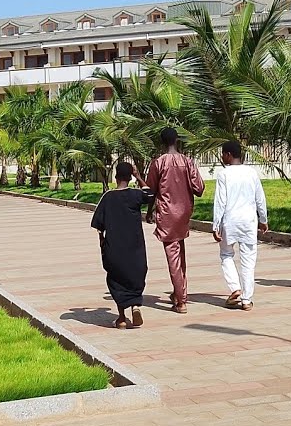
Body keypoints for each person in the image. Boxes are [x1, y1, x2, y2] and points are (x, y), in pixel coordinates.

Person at [145, 128, 205, 314]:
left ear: (162, 142)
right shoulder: (187, 162)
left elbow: (150, 190)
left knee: (173, 255)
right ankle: (180, 291)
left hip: (167, 213)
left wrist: (149, 211)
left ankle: (181, 300)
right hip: (184, 212)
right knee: (180, 253)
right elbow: (199, 188)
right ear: (177, 140)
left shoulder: (158, 163)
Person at [91, 161, 152, 329]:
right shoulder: (136, 195)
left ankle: (122, 318)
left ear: (116, 176)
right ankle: (136, 306)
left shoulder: (108, 197)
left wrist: (103, 244)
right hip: (135, 249)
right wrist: (139, 177)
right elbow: (151, 194)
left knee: (116, 280)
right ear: (130, 176)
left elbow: (98, 226)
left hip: (114, 250)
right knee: (135, 278)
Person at [212, 140, 268, 311]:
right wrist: (263, 219)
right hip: (249, 221)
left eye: (223, 154)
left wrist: (216, 225)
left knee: (226, 254)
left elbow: (220, 201)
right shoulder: (251, 172)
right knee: (248, 260)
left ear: (228, 155)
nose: (222, 157)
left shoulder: (224, 174)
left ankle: (235, 287)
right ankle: (246, 299)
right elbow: (260, 198)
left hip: (230, 221)